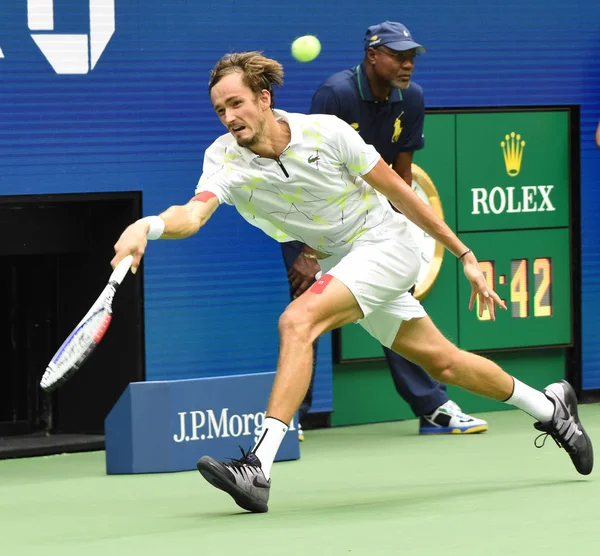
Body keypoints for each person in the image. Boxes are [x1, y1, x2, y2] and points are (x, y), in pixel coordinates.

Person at [111, 51, 593, 514]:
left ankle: (257, 468)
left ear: (263, 98)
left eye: (236, 103)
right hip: (344, 259)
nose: (228, 117)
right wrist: (148, 226)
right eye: (219, 109)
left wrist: (463, 252)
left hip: (388, 242)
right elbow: (192, 215)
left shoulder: (325, 132)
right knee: (444, 362)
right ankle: (552, 408)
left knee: (297, 320)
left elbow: (400, 192)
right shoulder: (224, 159)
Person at [284, 21, 487, 436]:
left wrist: (400, 235)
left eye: (411, 55)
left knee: (396, 297)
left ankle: (432, 407)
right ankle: (289, 416)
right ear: (372, 55)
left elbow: (402, 175)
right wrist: (309, 251)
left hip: (370, 220)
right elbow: (307, 178)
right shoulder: (335, 94)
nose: (408, 63)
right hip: (313, 218)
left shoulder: (411, 98)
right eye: (398, 54)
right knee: (306, 309)